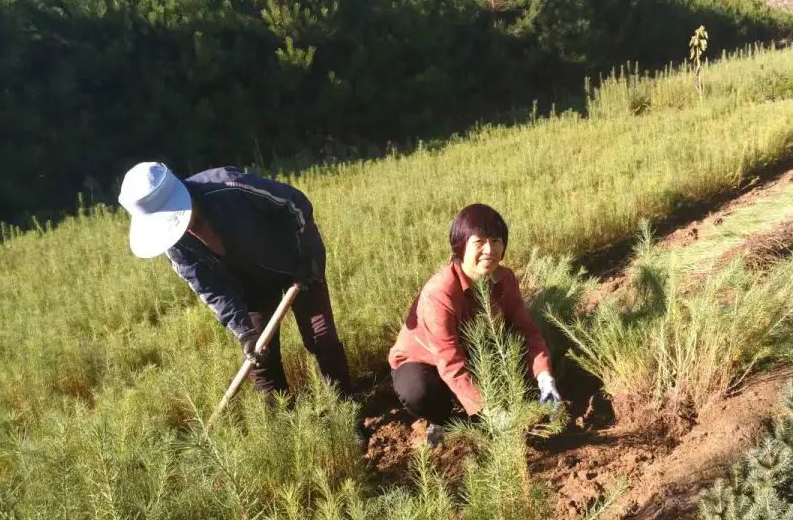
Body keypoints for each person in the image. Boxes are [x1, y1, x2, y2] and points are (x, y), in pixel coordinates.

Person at [117, 161, 354, 402]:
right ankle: (284, 428)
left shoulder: (230, 188)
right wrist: (244, 332)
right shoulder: (174, 245)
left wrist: (306, 255)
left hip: (299, 264)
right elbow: (210, 289)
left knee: (321, 338)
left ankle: (348, 412)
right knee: (261, 360)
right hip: (251, 289)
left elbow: (294, 203)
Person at [388, 203, 562, 446]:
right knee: (417, 391)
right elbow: (449, 361)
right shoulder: (440, 293)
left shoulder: (504, 279)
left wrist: (545, 378)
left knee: (528, 350)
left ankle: (483, 404)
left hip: (474, 352)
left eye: (496, 240)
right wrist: (491, 412)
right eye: (478, 241)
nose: (489, 250)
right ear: (460, 245)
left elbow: (528, 331)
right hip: (429, 364)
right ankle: (444, 419)